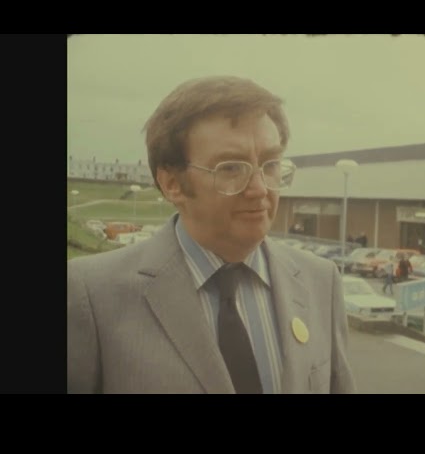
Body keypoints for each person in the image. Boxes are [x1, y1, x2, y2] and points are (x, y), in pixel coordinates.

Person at [67, 76, 357, 394]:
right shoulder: (91, 295)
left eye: (271, 164)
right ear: (171, 184)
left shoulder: (320, 281)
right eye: (231, 168)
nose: (260, 189)